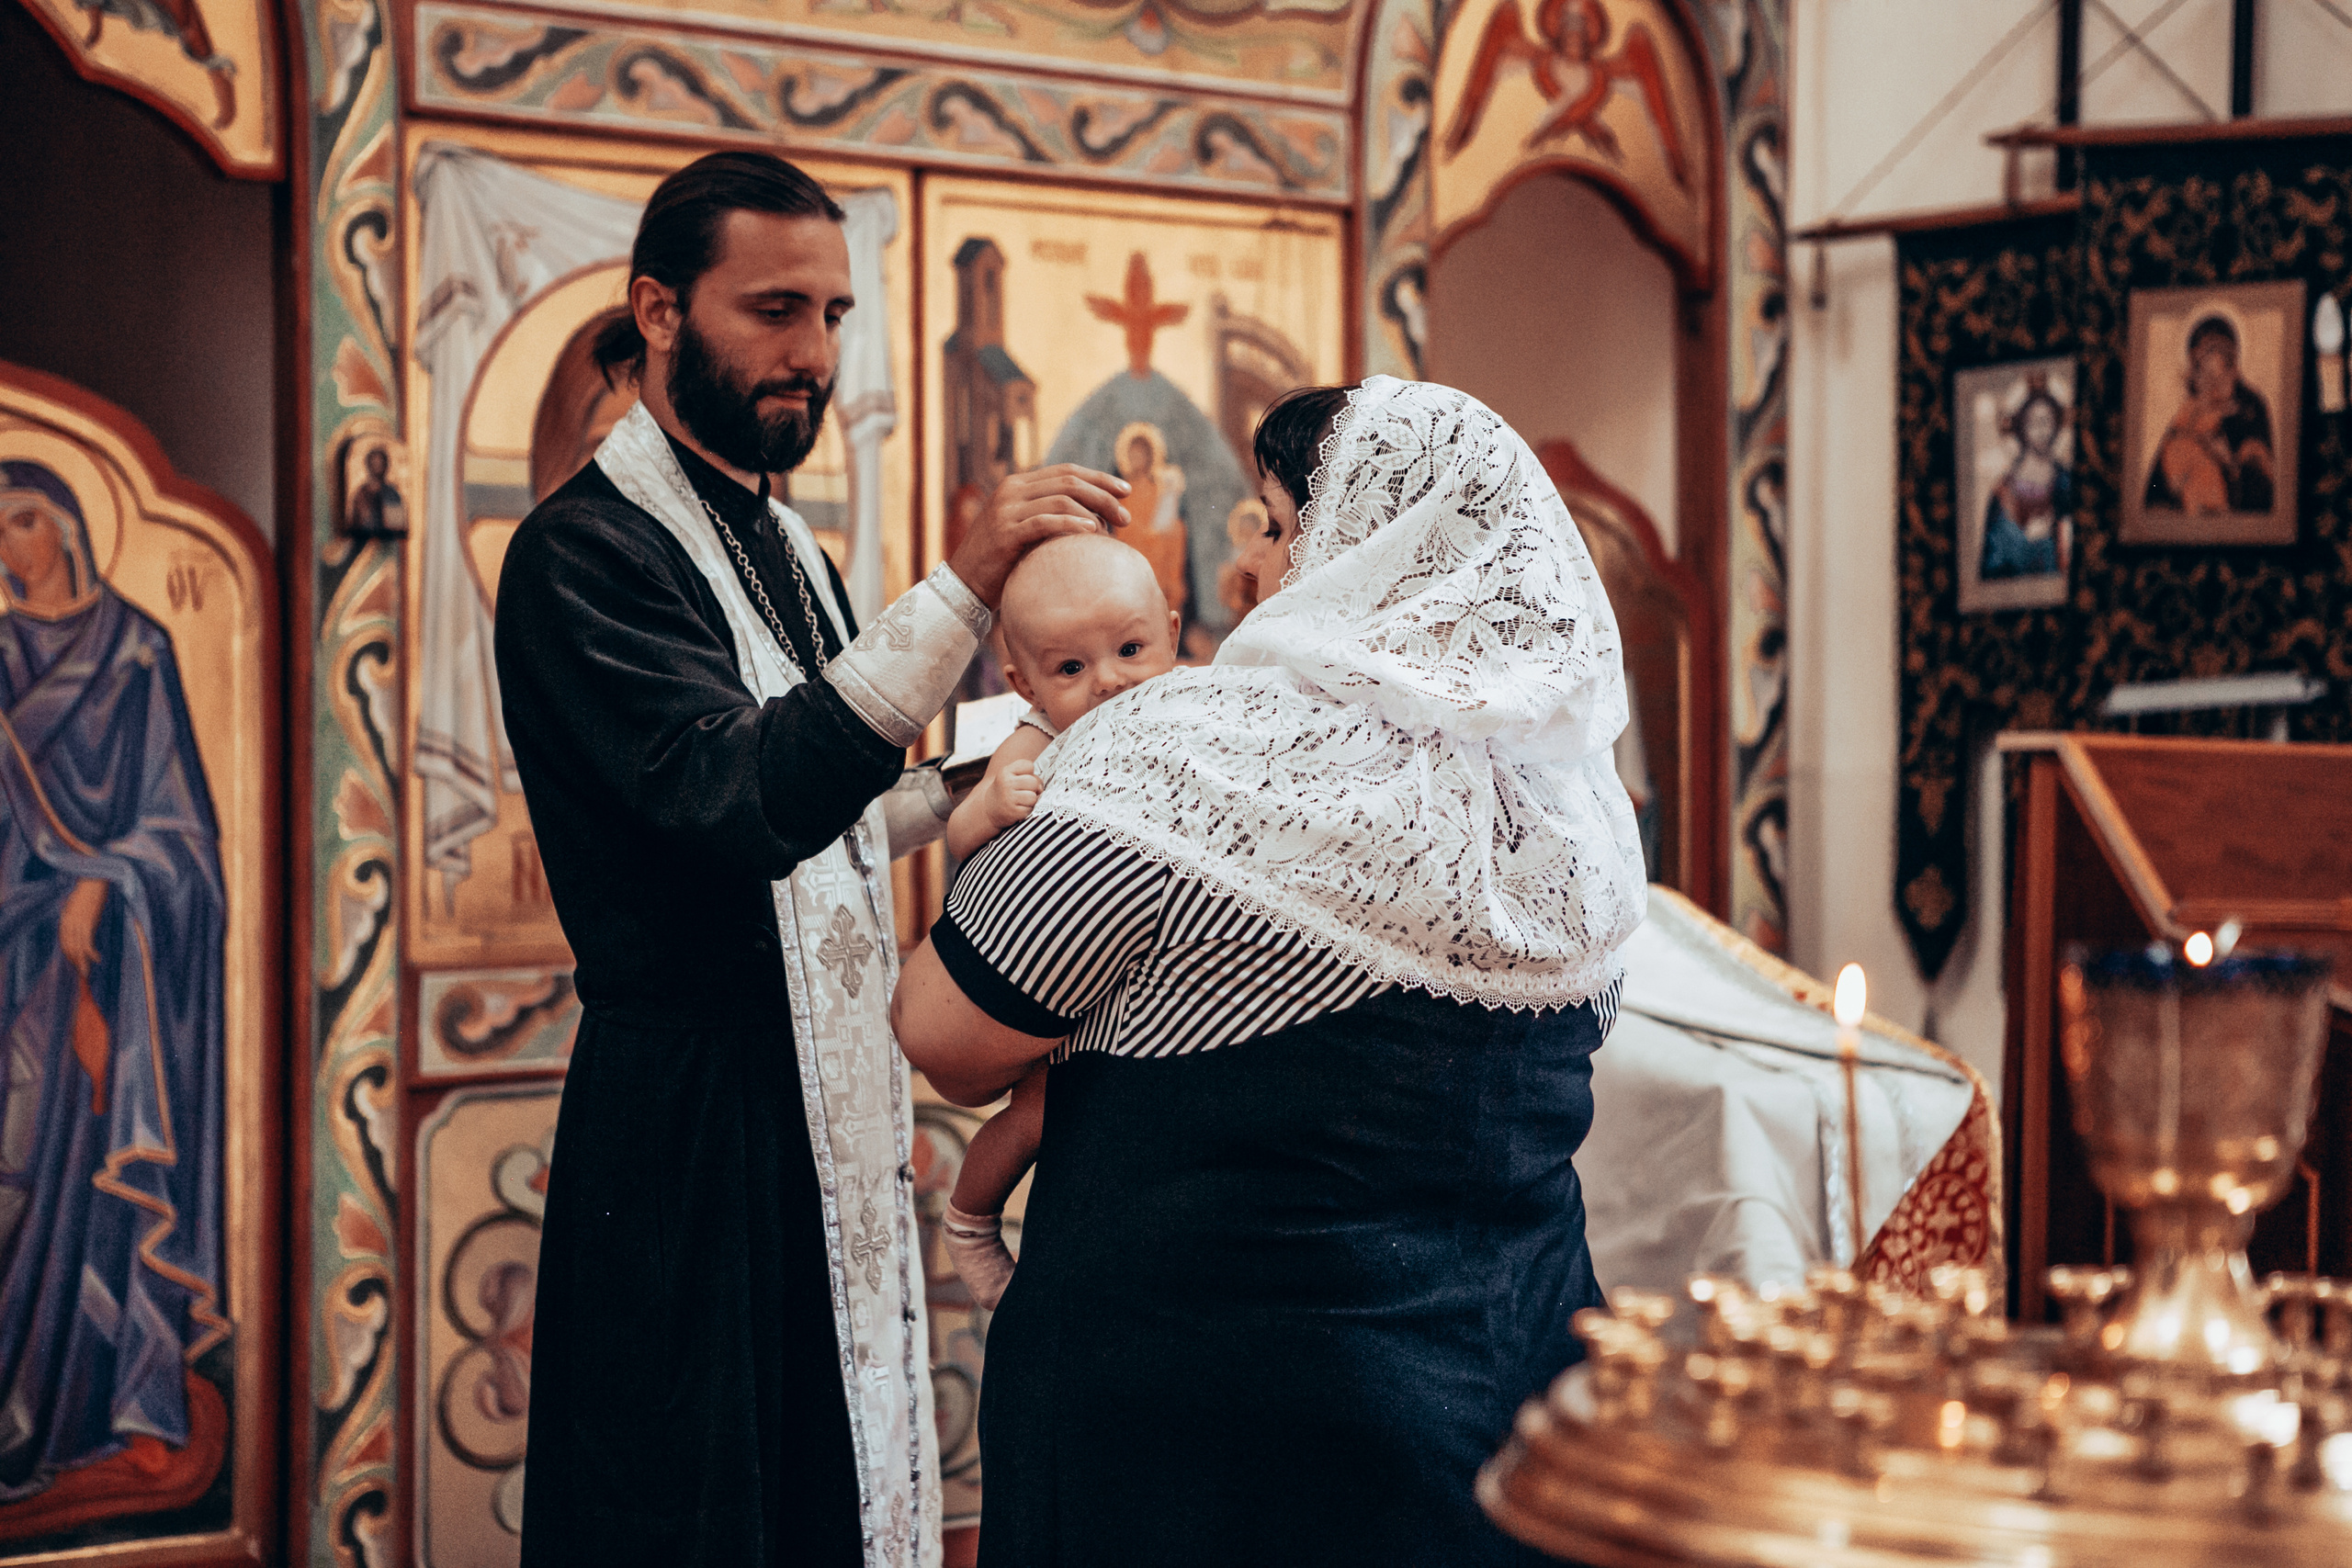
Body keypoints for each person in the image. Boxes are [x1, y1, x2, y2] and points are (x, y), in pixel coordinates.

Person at [492, 151, 1127, 1568]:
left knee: (830, 1482)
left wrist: (987, 772)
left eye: (834, 316)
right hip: (695, 1125)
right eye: (774, 310)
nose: (812, 354)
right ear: (658, 310)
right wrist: (963, 586)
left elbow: (822, 811)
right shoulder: (583, 554)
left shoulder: (782, 541)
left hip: (822, 1091)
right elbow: (733, 795)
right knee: (701, 1493)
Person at [892, 377, 1646, 1566]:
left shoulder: (1178, 752)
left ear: (1369, 546)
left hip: (1205, 1439)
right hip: (1505, 1415)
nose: (1248, 563)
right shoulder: (1576, 810)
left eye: (1280, 525)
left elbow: (944, 1026)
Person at [0, 462, 228, 1506]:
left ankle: (102, 1406)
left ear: (68, 528)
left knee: (84, 1175)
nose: (10, 546)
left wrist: (108, 885)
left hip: (101, 973)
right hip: (11, 950)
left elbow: (183, 832)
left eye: (24, 522)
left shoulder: (135, 650)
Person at [933, 535, 1182, 1307]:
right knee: (1035, 1114)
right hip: (1036, 977)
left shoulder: (1187, 709)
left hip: (1132, 983)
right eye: (1071, 668)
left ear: (1172, 633)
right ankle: (970, 1218)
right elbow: (959, 839)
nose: (1108, 681)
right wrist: (989, 805)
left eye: (1132, 648)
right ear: (1025, 682)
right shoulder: (1035, 738)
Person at [2144, 313, 2275, 515]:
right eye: (2203, 375)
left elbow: (2262, 488)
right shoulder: (2189, 413)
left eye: (2218, 377)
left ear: (2233, 370)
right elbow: (2157, 492)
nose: (2211, 386)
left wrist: (2229, 462)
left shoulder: (2250, 411)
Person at [1980, 379, 2072, 581]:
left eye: (2046, 421)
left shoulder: (2066, 481)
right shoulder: (2004, 490)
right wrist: (2028, 541)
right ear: (2021, 427)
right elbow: (1994, 561)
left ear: (2056, 424)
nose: (2041, 431)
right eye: (2033, 423)